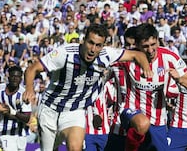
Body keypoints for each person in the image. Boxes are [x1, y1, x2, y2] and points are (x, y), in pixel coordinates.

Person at [23, 24, 153, 151]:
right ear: (83, 41)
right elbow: (32, 69)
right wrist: (29, 90)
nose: (93, 49)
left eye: (98, 45)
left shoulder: (106, 55)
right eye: (91, 43)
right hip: (50, 110)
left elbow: (138, 55)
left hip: (75, 111)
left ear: (103, 46)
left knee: (75, 147)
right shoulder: (65, 54)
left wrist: (146, 68)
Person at [105, 23, 187, 151]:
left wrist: (179, 78)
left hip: (157, 120)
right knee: (142, 123)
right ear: (137, 45)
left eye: (153, 44)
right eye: (145, 46)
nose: (150, 50)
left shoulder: (169, 57)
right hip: (129, 112)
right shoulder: (126, 59)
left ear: (157, 40)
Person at [0, 66, 31, 151]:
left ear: (21, 79)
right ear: (8, 77)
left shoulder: (24, 94)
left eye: (18, 77)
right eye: (13, 76)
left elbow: (27, 118)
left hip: (21, 133)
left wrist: (11, 113)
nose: (15, 79)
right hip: (5, 131)